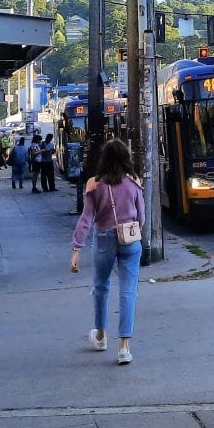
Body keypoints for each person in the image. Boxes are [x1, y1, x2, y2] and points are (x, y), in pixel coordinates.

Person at [70, 139, 144, 365]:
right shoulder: (134, 182)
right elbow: (141, 217)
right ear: (125, 158)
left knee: (101, 286)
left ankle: (101, 336)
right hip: (130, 239)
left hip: (103, 239)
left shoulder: (94, 184)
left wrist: (76, 249)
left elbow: (86, 219)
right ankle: (124, 347)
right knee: (128, 290)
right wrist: (131, 231)